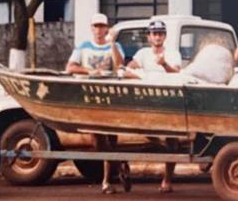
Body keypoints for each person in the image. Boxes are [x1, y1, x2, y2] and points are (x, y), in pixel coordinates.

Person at [65, 13, 129, 194]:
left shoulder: (115, 46)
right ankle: (120, 165)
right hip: (90, 99)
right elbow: (70, 67)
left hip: (110, 98)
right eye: (96, 26)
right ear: (92, 28)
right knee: (99, 142)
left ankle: (107, 181)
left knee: (111, 139)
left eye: (102, 26)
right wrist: (92, 71)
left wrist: (112, 43)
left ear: (106, 28)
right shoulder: (84, 47)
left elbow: (120, 67)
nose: (99, 29)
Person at [126, 19, 180, 193]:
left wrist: (164, 64)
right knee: (144, 134)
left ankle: (167, 180)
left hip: (168, 102)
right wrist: (135, 71)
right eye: (154, 33)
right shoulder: (143, 53)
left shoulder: (172, 53)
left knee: (173, 140)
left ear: (164, 36)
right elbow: (129, 67)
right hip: (147, 102)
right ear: (149, 37)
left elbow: (178, 74)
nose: (157, 36)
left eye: (160, 33)